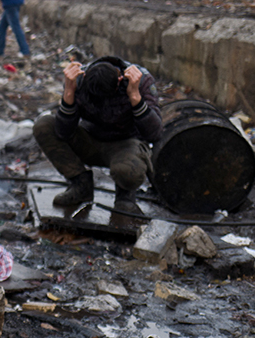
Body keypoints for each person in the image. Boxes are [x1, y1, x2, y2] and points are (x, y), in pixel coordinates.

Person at [32, 56, 163, 217]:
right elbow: (62, 132)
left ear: (119, 81)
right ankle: (81, 185)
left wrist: (135, 97)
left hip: (125, 145)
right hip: (90, 140)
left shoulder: (140, 81)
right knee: (44, 125)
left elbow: (155, 134)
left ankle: (125, 194)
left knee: (128, 172)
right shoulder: (80, 80)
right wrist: (69, 93)